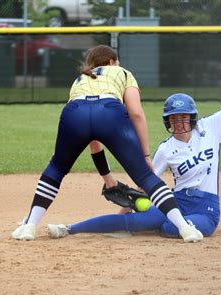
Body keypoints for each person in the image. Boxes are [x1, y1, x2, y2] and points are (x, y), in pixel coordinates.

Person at [46, 45, 221, 240]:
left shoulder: (210, 127)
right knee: (139, 222)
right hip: (178, 201)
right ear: (167, 121)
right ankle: (69, 229)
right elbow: (147, 184)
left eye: (184, 117)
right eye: (174, 119)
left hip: (206, 209)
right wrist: (127, 209)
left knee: (170, 229)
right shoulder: (166, 148)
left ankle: (161, 224)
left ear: (192, 117)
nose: (179, 123)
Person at [11, 44, 203, 242]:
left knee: (57, 168)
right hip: (109, 112)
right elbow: (136, 113)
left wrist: (107, 178)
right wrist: (145, 155)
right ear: (112, 62)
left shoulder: (80, 78)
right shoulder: (123, 72)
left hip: (74, 113)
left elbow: (93, 140)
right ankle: (184, 228)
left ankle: (29, 226)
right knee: (145, 176)